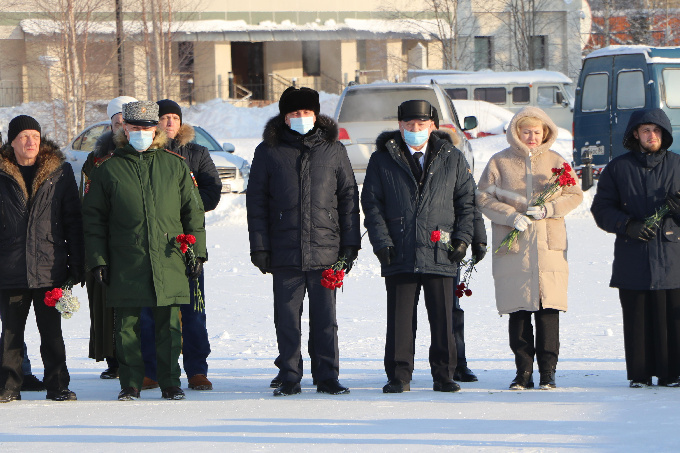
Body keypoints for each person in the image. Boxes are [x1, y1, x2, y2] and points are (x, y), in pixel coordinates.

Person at [82, 101, 207, 401]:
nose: (141, 133)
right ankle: (131, 383)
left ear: (156, 130)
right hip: (126, 259)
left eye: (147, 129)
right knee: (127, 327)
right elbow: (94, 219)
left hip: (169, 257)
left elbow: (193, 213)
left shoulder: (175, 164)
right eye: (135, 128)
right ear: (125, 129)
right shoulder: (109, 169)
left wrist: (197, 253)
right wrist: (99, 259)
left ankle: (170, 382)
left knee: (168, 326)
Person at [247, 86, 361, 396]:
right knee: (287, 320)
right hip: (285, 252)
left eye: (306, 113)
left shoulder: (333, 149)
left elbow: (349, 197)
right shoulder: (268, 151)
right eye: (294, 113)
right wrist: (260, 246)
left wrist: (350, 246)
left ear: (316, 114)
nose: (301, 118)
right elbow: (256, 202)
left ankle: (327, 377)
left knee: (326, 321)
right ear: (284, 117)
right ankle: (289, 376)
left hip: (326, 252)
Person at [361, 99, 475, 394]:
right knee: (400, 319)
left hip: (441, 250)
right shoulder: (383, 159)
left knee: (443, 317)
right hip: (400, 250)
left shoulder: (452, 157)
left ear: (433, 126)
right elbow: (372, 205)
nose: (415, 130)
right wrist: (382, 242)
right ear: (399, 126)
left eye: (421, 125)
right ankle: (399, 374)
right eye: (409, 125)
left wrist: (463, 239)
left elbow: (466, 202)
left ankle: (444, 374)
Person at [477, 106, 582, 390]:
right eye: (526, 131)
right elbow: (483, 198)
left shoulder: (557, 162)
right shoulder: (499, 162)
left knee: (548, 310)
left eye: (537, 132)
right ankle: (523, 372)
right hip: (515, 248)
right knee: (519, 311)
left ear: (545, 132)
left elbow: (574, 195)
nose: (532, 137)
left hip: (549, 248)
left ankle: (548, 372)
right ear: (516, 132)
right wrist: (511, 216)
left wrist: (548, 208)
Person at [591, 108, 680, 388]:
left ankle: (672, 373)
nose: (650, 135)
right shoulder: (618, 168)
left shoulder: (678, 165)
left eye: (655, 130)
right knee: (637, 317)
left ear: (664, 134)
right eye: (645, 130)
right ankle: (639, 374)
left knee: (671, 319)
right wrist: (628, 225)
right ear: (635, 135)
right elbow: (601, 208)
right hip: (634, 254)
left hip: (672, 256)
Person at [139, 99, 222, 391]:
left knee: (193, 310)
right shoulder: (147, 153)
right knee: (151, 310)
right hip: (154, 243)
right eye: (164, 117)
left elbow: (213, 189)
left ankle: (197, 369)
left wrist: (186, 203)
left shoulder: (196, 153)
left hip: (187, 242)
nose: (170, 122)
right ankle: (153, 369)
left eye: (175, 117)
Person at [0, 115, 84, 403]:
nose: (30, 142)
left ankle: (58, 385)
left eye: (34, 136)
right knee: (10, 335)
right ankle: (9, 386)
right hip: (10, 269)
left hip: (50, 268)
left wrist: (77, 263)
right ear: (12, 142)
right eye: (23, 136)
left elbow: (73, 220)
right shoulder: (1, 174)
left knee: (51, 334)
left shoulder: (59, 172)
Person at [82, 95, 138, 380]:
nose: (120, 128)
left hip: (135, 240)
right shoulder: (97, 159)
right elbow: (88, 203)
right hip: (105, 241)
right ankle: (114, 358)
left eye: (125, 123)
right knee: (107, 304)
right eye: (116, 122)